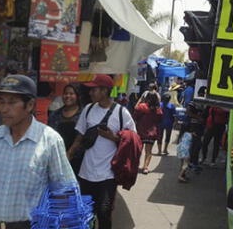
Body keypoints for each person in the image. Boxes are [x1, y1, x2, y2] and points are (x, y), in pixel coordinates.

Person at [0, 75, 76, 229]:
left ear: (30, 105)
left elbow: (64, 190)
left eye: (12, 102)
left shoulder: (49, 141)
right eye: (1, 102)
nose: (4, 109)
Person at [67, 74, 137, 229]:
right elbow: (80, 137)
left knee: (104, 212)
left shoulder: (121, 113)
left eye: (94, 89)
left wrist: (114, 137)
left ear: (105, 91)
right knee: (87, 213)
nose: (90, 93)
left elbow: (133, 139)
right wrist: (68, 155)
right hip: (86, 172)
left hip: (108, 174)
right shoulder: (88, 109)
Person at [48, 84, 83, 175]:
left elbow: (81, 137)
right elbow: (49, 136)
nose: (68, 96)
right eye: (66, 93)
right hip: (57, 160)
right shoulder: (55, 114)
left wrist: (69, 154)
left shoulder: (83, 114)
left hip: (78, 162)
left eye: (71, 94)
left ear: (77, 96)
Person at [133, 92, 162, 174]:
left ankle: (136, 166)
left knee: (139, 150)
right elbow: (159, 120)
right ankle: (145, 168)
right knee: (149, 151)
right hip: (152, 133)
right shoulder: (158, 109)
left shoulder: (142, 107)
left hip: (141, 131)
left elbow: (135, 116)